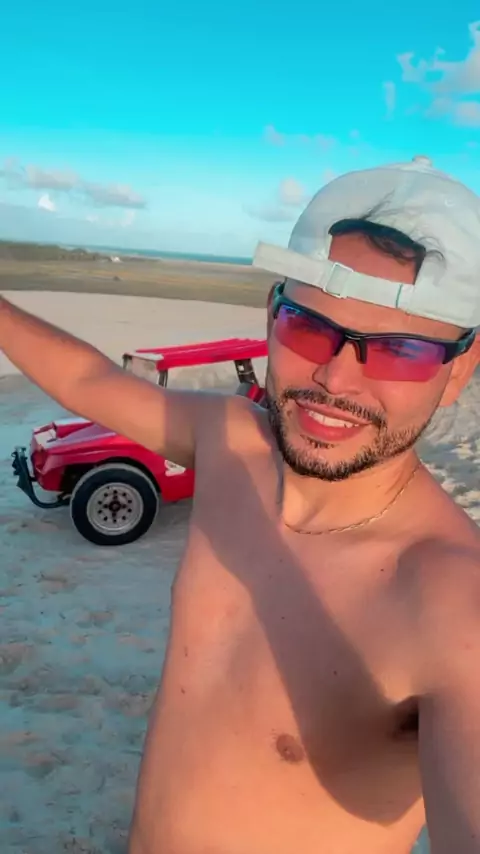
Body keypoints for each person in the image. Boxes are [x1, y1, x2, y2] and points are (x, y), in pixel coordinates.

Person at [1, 155, 480, 854]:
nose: (335, 378)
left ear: (458, 370)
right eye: (309, 327)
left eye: (399, 351)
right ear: (271, 314)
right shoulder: (231, 443)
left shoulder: (450, 599)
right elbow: (88, 379)